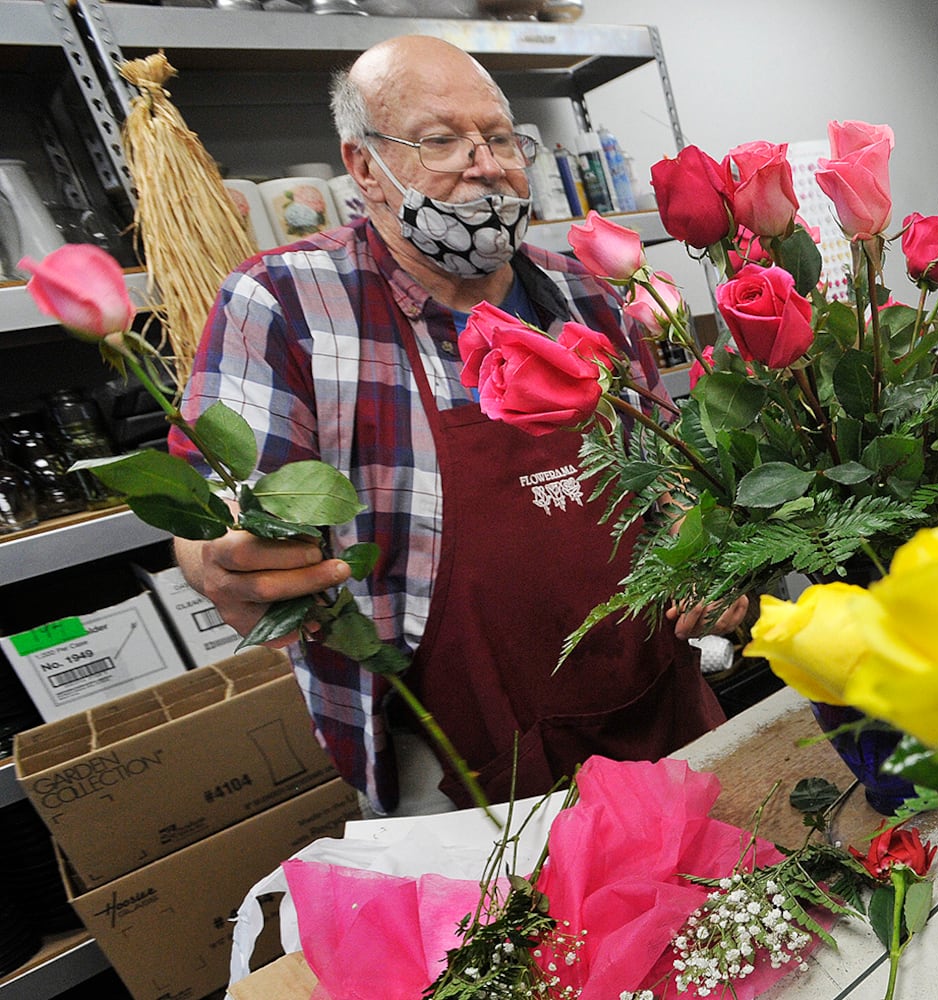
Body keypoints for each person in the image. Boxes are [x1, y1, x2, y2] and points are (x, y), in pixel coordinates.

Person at [171, 35, 739, 815]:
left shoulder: (588, 297)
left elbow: (671, 474)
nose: (486, 163)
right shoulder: (284, 302)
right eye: (441, 140)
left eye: (501, 137)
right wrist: (218, 558)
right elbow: (219, 501)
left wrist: (705, 553)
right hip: (453, 756)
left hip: (652, 697)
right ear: (364, 165)